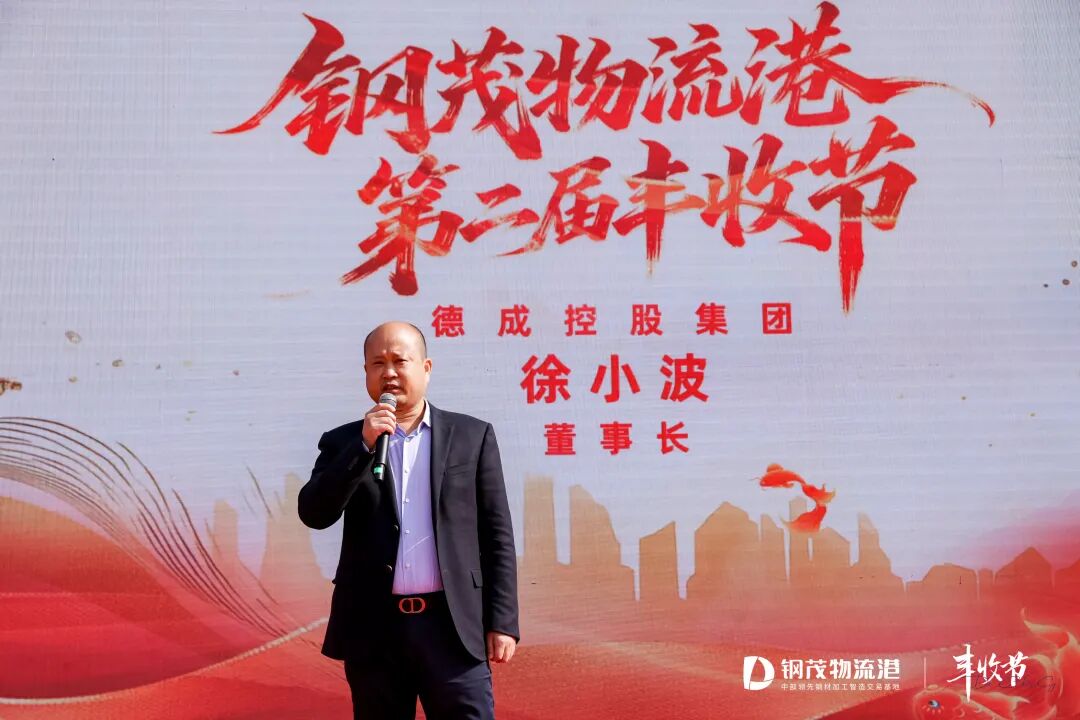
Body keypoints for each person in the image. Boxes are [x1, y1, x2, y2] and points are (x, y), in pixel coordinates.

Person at [298, 321, 519, 720]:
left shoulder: (472, 436)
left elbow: (497, 535)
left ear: (426, 367)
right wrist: (362, 447)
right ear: (365, 372)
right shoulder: (344, 441)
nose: (389, 372)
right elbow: (314, 513)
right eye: (377, 363)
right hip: (375, 630)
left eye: (400, 361)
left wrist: (502, 621)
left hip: (453, 629)